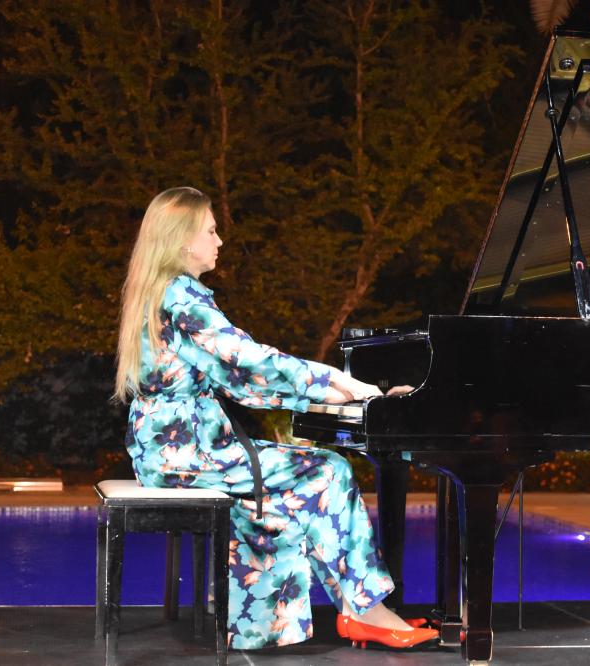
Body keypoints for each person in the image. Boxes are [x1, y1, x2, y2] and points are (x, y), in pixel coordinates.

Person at [114, 186, 437, 651]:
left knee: (291, 491)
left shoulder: (161, 292)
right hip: (189, 451)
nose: (219, 240)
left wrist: (325, 394)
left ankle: (292, 621)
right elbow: (249, 362)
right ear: (183, 239)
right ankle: (367, 612)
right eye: (210, 230)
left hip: (166, 449)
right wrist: (335, 382)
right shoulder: (182, 296)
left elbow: (233, 379)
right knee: (329, 470)